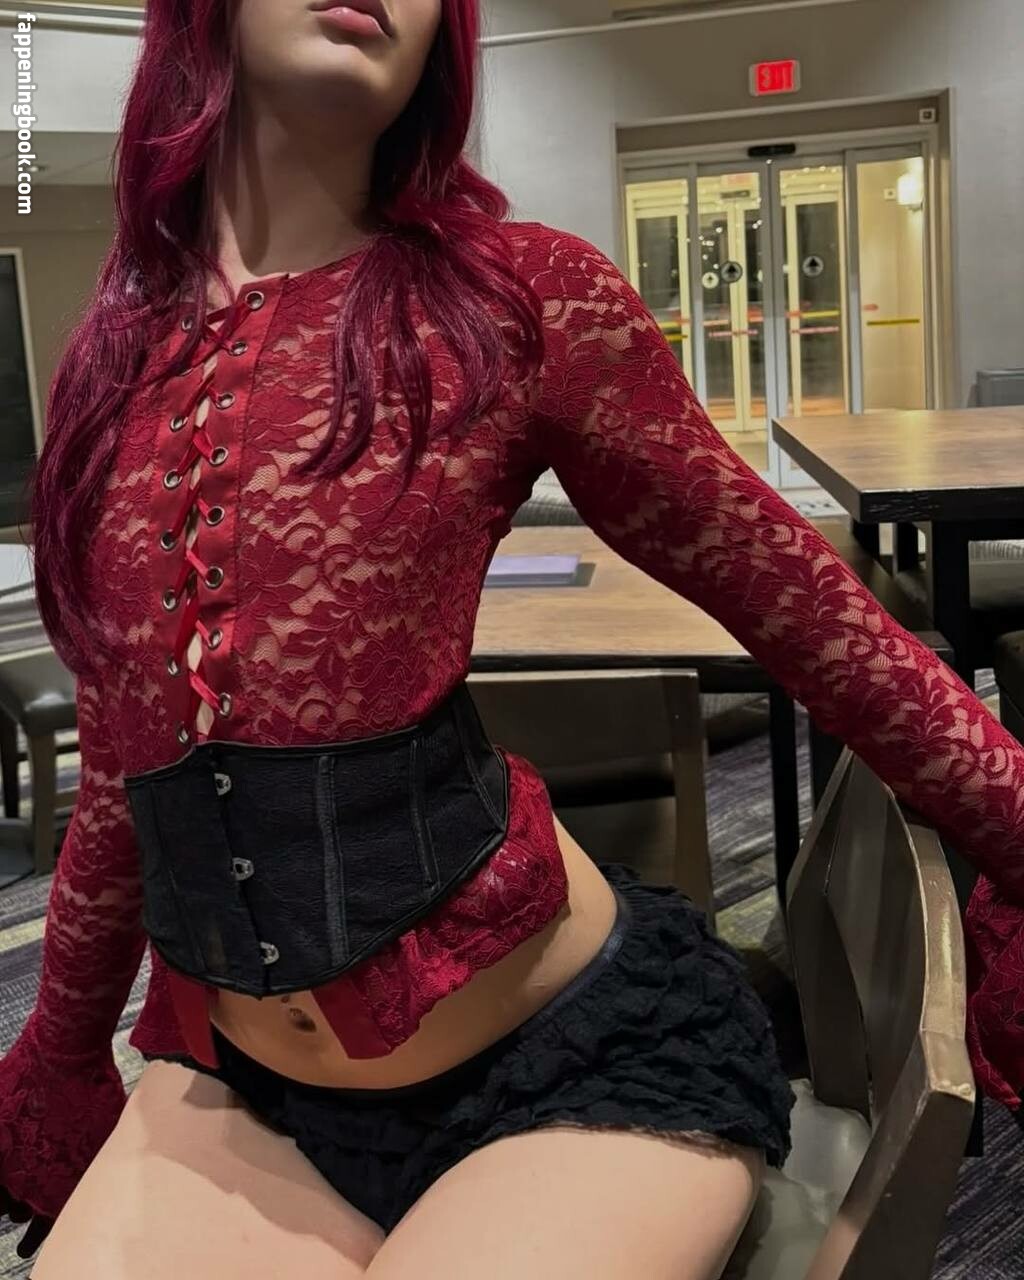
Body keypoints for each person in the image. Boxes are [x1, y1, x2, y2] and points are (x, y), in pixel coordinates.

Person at [2, 0, 1023, 1275]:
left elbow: (820, 626)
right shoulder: (111, 368)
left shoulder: (519, 300)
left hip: (569, 1065)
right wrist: (58, 1048)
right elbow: (121, 760)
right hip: (241, 1085)